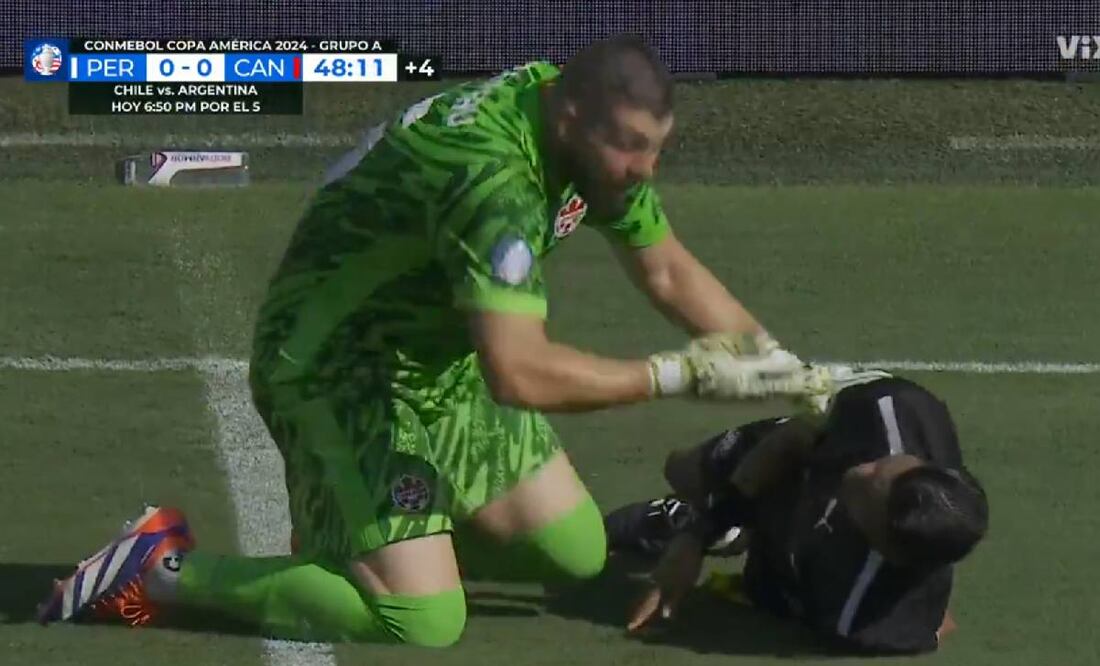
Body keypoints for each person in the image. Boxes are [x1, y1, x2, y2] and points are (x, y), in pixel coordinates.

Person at [38, 35, 834, 646]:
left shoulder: (578, 135)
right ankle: (158, 569)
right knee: (419, 620)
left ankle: (362, 532)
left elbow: (664, 271)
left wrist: (781, 370)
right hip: (337, 370)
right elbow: (519, 372)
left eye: (655, 147)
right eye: (630, 147)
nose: (642, 169)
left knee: (574, 551)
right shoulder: (490, 179)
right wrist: (677, 377)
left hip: (436, 367)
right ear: (569, 114)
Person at [607, 373, 989, 654]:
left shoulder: (863, 616)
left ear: (886, 549)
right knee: (682, 470)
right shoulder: (888, 412)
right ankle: (695, 518)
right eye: (879, 468)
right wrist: (697, 535)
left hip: (798, 566)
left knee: (769, 590)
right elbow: (791, 440)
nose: (857, 471)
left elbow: (935, 623)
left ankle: (744, 533)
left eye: (861, 493)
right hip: (798, 460)